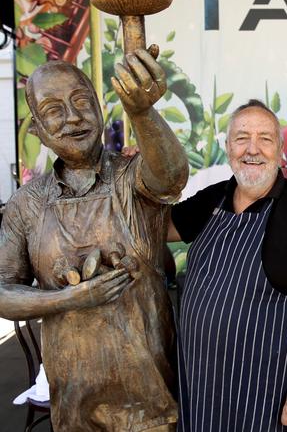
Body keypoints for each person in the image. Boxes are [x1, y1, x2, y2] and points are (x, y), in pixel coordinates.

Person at [0, 49, 188, 431]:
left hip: (150, 398)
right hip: (73, 399)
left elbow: (171, 176)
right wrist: (69, 298)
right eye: (53, 109)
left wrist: (142, 112)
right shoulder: (27, 203)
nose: (72, 116)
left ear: (101, 111)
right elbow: (2, 290)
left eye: (82, 101)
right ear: (37, 129)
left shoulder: (131, 180)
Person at [169, 99, 287, 431]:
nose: (253, 149)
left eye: (265, 138)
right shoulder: (214, 198)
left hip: (267, 400)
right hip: (201, 393)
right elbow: (156, 230)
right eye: (242, 138)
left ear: (280, 148)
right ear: (227, 146)